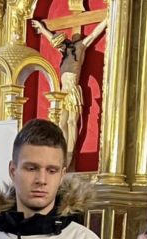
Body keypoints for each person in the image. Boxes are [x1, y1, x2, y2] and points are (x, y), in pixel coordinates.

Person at [31, 18, 107, 168]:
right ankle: (63, 153)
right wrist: (42, 28)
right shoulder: (65, 52)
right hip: (62, 92)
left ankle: (70, 156)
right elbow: (52, 39)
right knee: (61, 123)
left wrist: (107, 20)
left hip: (72, 90)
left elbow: (93, 34)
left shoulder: (80, 47)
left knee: (72, 122)